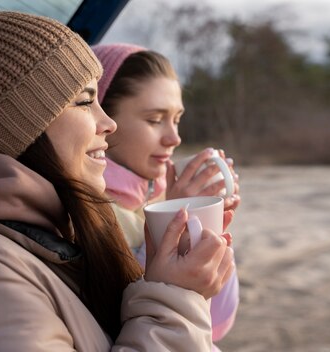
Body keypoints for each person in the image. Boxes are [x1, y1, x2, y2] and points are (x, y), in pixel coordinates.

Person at [0, 12, 235, 351]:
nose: (108, 123)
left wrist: (168, 282)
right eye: (84, 101)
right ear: (16, 127)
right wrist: (174, 299)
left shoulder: (60, 232)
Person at [92, 43, 242, 348]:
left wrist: (207, 230)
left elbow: (216, 325)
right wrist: (168, 225)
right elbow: (121, 320)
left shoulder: (155, 196)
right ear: (102, 120)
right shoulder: (84, 212)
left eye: (176, 119)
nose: (174, 138)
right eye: (154, 119)